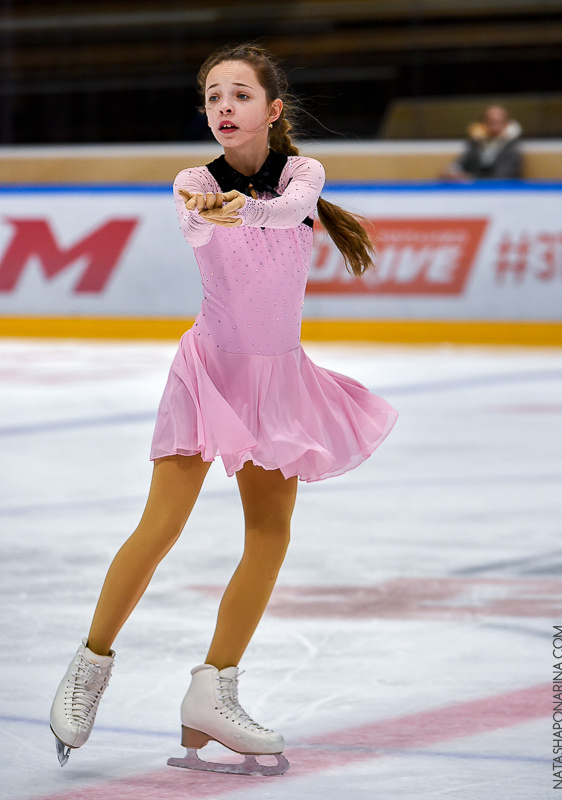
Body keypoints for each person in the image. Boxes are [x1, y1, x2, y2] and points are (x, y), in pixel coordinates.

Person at [49, 43, 398, 777]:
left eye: (240, 95)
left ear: (273, 110)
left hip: (277, 382)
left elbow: (293, 210)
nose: (224, 109)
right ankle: (89, 667)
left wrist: (250, 209)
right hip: (208, 372)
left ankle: (215, 687)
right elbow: (205, 227)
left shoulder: (303, 175)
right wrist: (224, 211)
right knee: (161, 525)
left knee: (269, 532)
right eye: (213, 97)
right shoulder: (190, 184)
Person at [440, 105, 523, 181]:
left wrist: (470, 178)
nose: (494, 126)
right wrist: (451, 171)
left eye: (498, 122)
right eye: (490, 121)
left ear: (506, 124)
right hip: (472, 191)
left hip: (500, 192)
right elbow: (461, 162)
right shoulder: (477, 142)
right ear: (484, 123)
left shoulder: (511, 146)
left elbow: (502, 176)